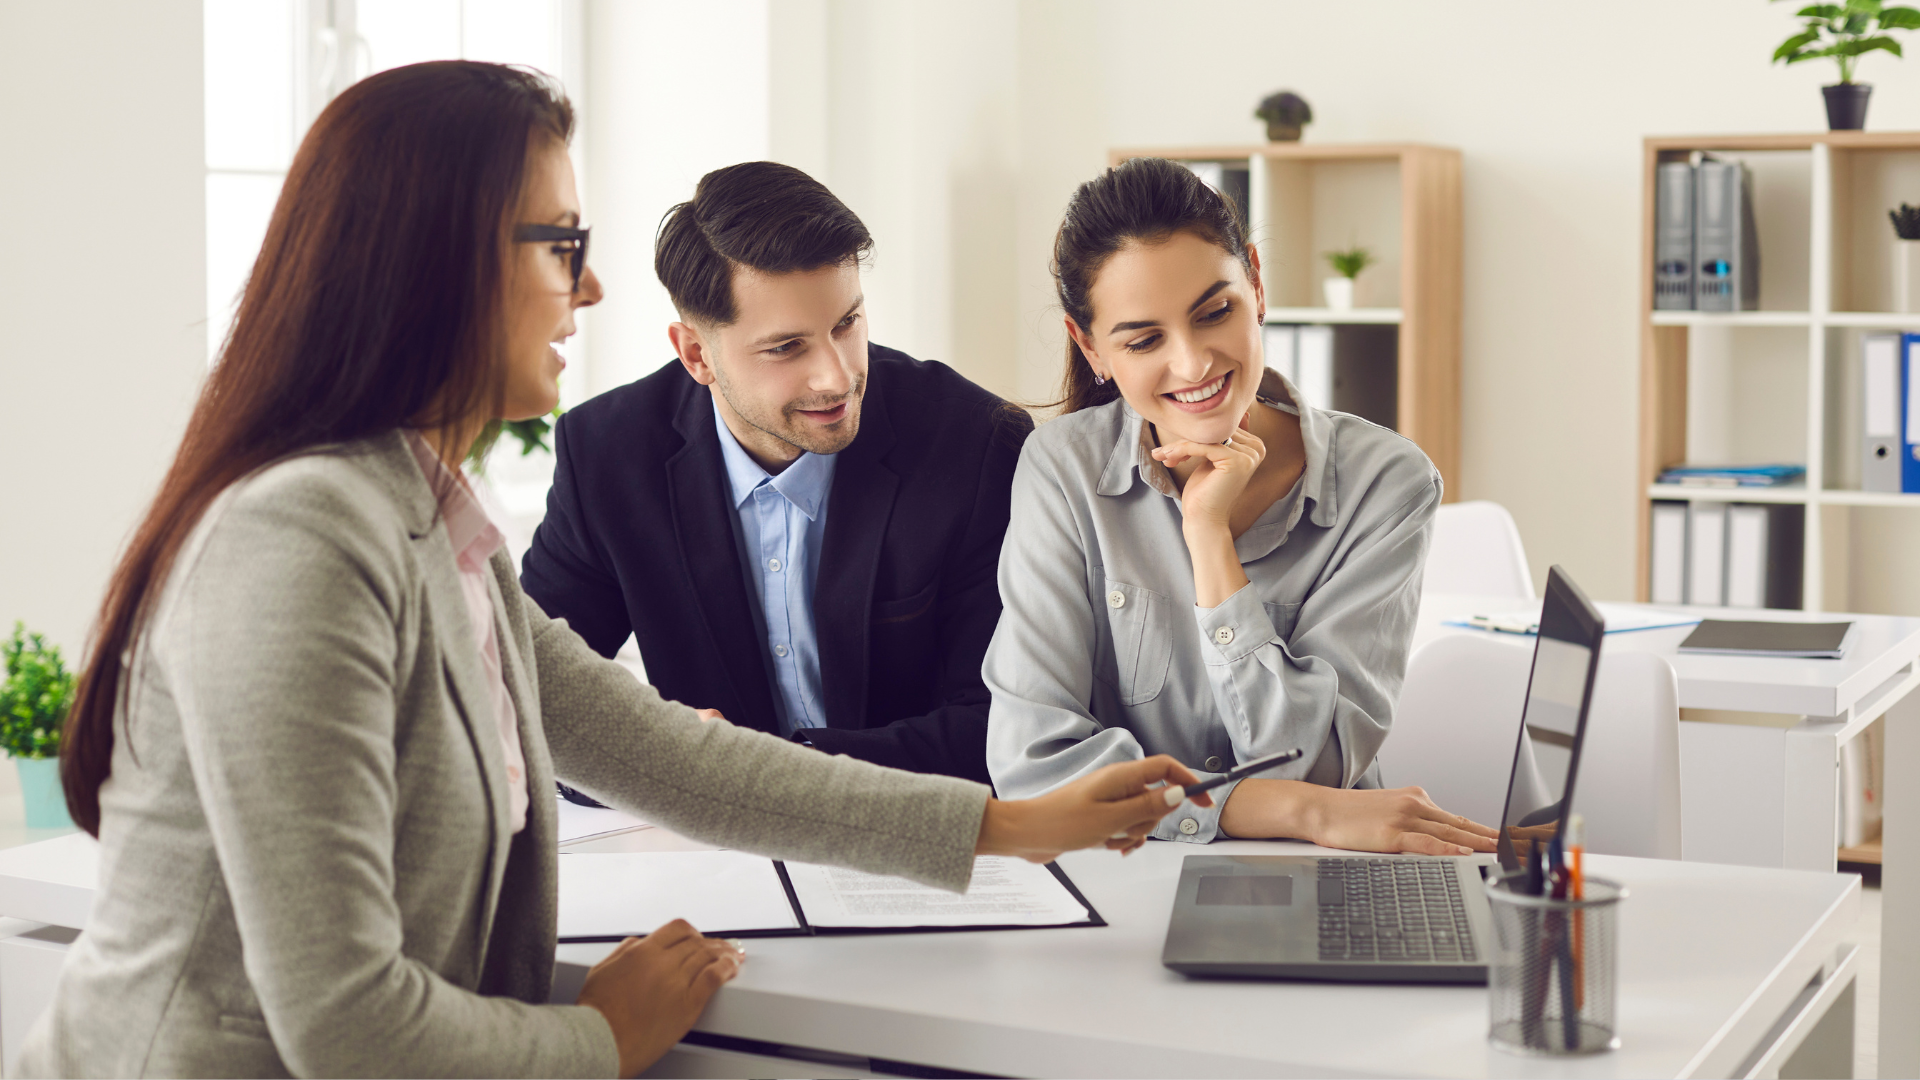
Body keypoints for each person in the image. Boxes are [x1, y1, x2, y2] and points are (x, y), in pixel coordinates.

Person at [24, 64, 1205, 1079]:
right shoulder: (299, 538)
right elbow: (348, 1029)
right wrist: (599, 1034)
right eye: (562, 246)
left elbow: (661, 754)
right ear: (435, 265)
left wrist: (1004, 826)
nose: (588, 289)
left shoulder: (429, 516)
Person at [985, 157, 1498, 855]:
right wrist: (1296, 811)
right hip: (1125, 881)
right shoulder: (1061, 471)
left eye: (1214, 312)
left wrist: (1208, 541)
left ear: (1255, 282)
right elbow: (1034, 771)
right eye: (1143, 340)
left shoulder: (1387, 482)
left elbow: (1316, 765)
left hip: (1322, 875)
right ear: (1091, 347)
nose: (1194, 364)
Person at [520, 161, 1027, 787]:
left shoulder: (972, 440)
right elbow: (525, 701)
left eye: (847, 324)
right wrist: (654, 753)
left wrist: (751, 772)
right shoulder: (607, 456)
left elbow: (1004, 727)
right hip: (714, 857)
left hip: (922, 843)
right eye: (786, 348)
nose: (837, 376)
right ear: (696, 354)